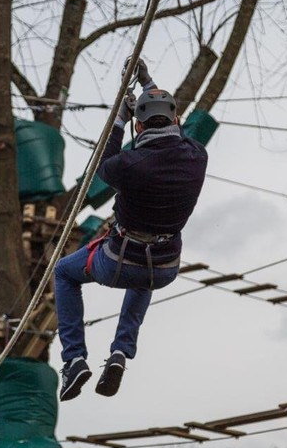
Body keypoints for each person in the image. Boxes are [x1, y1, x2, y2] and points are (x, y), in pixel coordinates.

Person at [55, 58, 208, 401]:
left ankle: (74, 359)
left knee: (64, 273)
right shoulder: (197, 156)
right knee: (147, 272)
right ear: (176, 121)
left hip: (118, 261)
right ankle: (121, 352)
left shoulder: (129, 165)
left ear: (139, 130)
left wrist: (120, 121)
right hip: (165, 267)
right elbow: (174, 131)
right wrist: (148, 82)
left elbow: (104, 165)